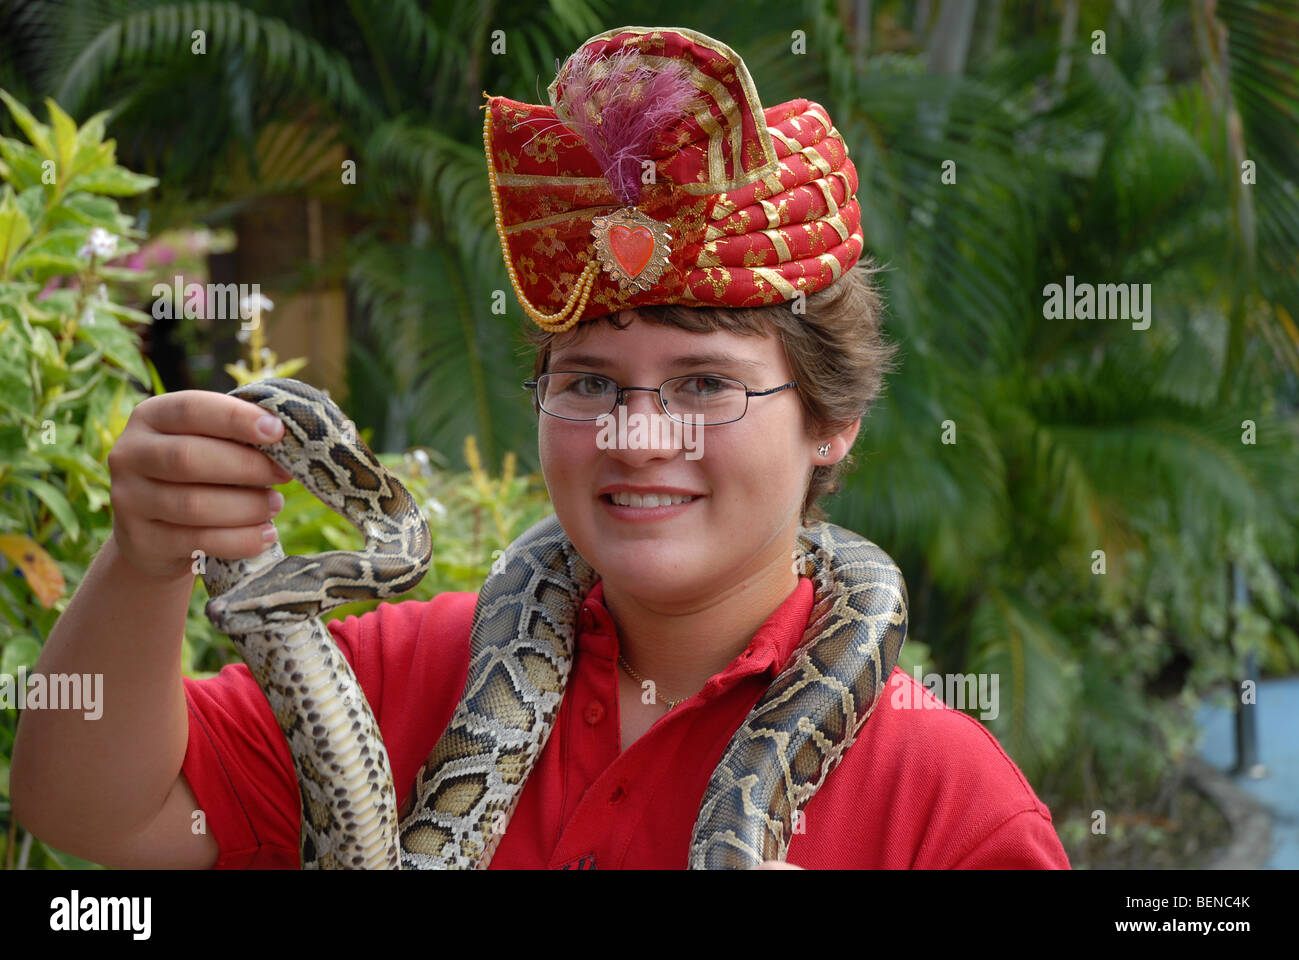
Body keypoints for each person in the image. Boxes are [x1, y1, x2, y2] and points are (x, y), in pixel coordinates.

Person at [11, 26, 1069, 869]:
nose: (636, 435)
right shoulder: (409, 668)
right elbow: (93, 817)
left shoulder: (947, 805)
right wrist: (149, 555)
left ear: (831, 423)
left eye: (704, 384)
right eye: (590, 382)